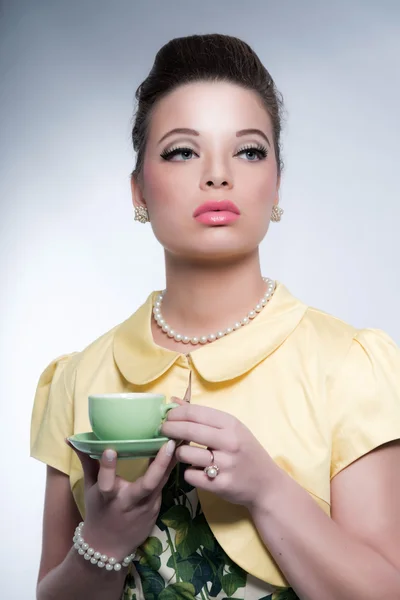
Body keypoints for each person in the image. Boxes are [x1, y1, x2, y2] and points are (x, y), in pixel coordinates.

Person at [30, 33, 400, 600]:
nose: (218, 174)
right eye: (182, 151)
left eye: (249, 150)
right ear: (138, 193)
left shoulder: (350, 366)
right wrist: (102, 542)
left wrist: (267, 491)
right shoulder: (78, 377)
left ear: (277, 181)